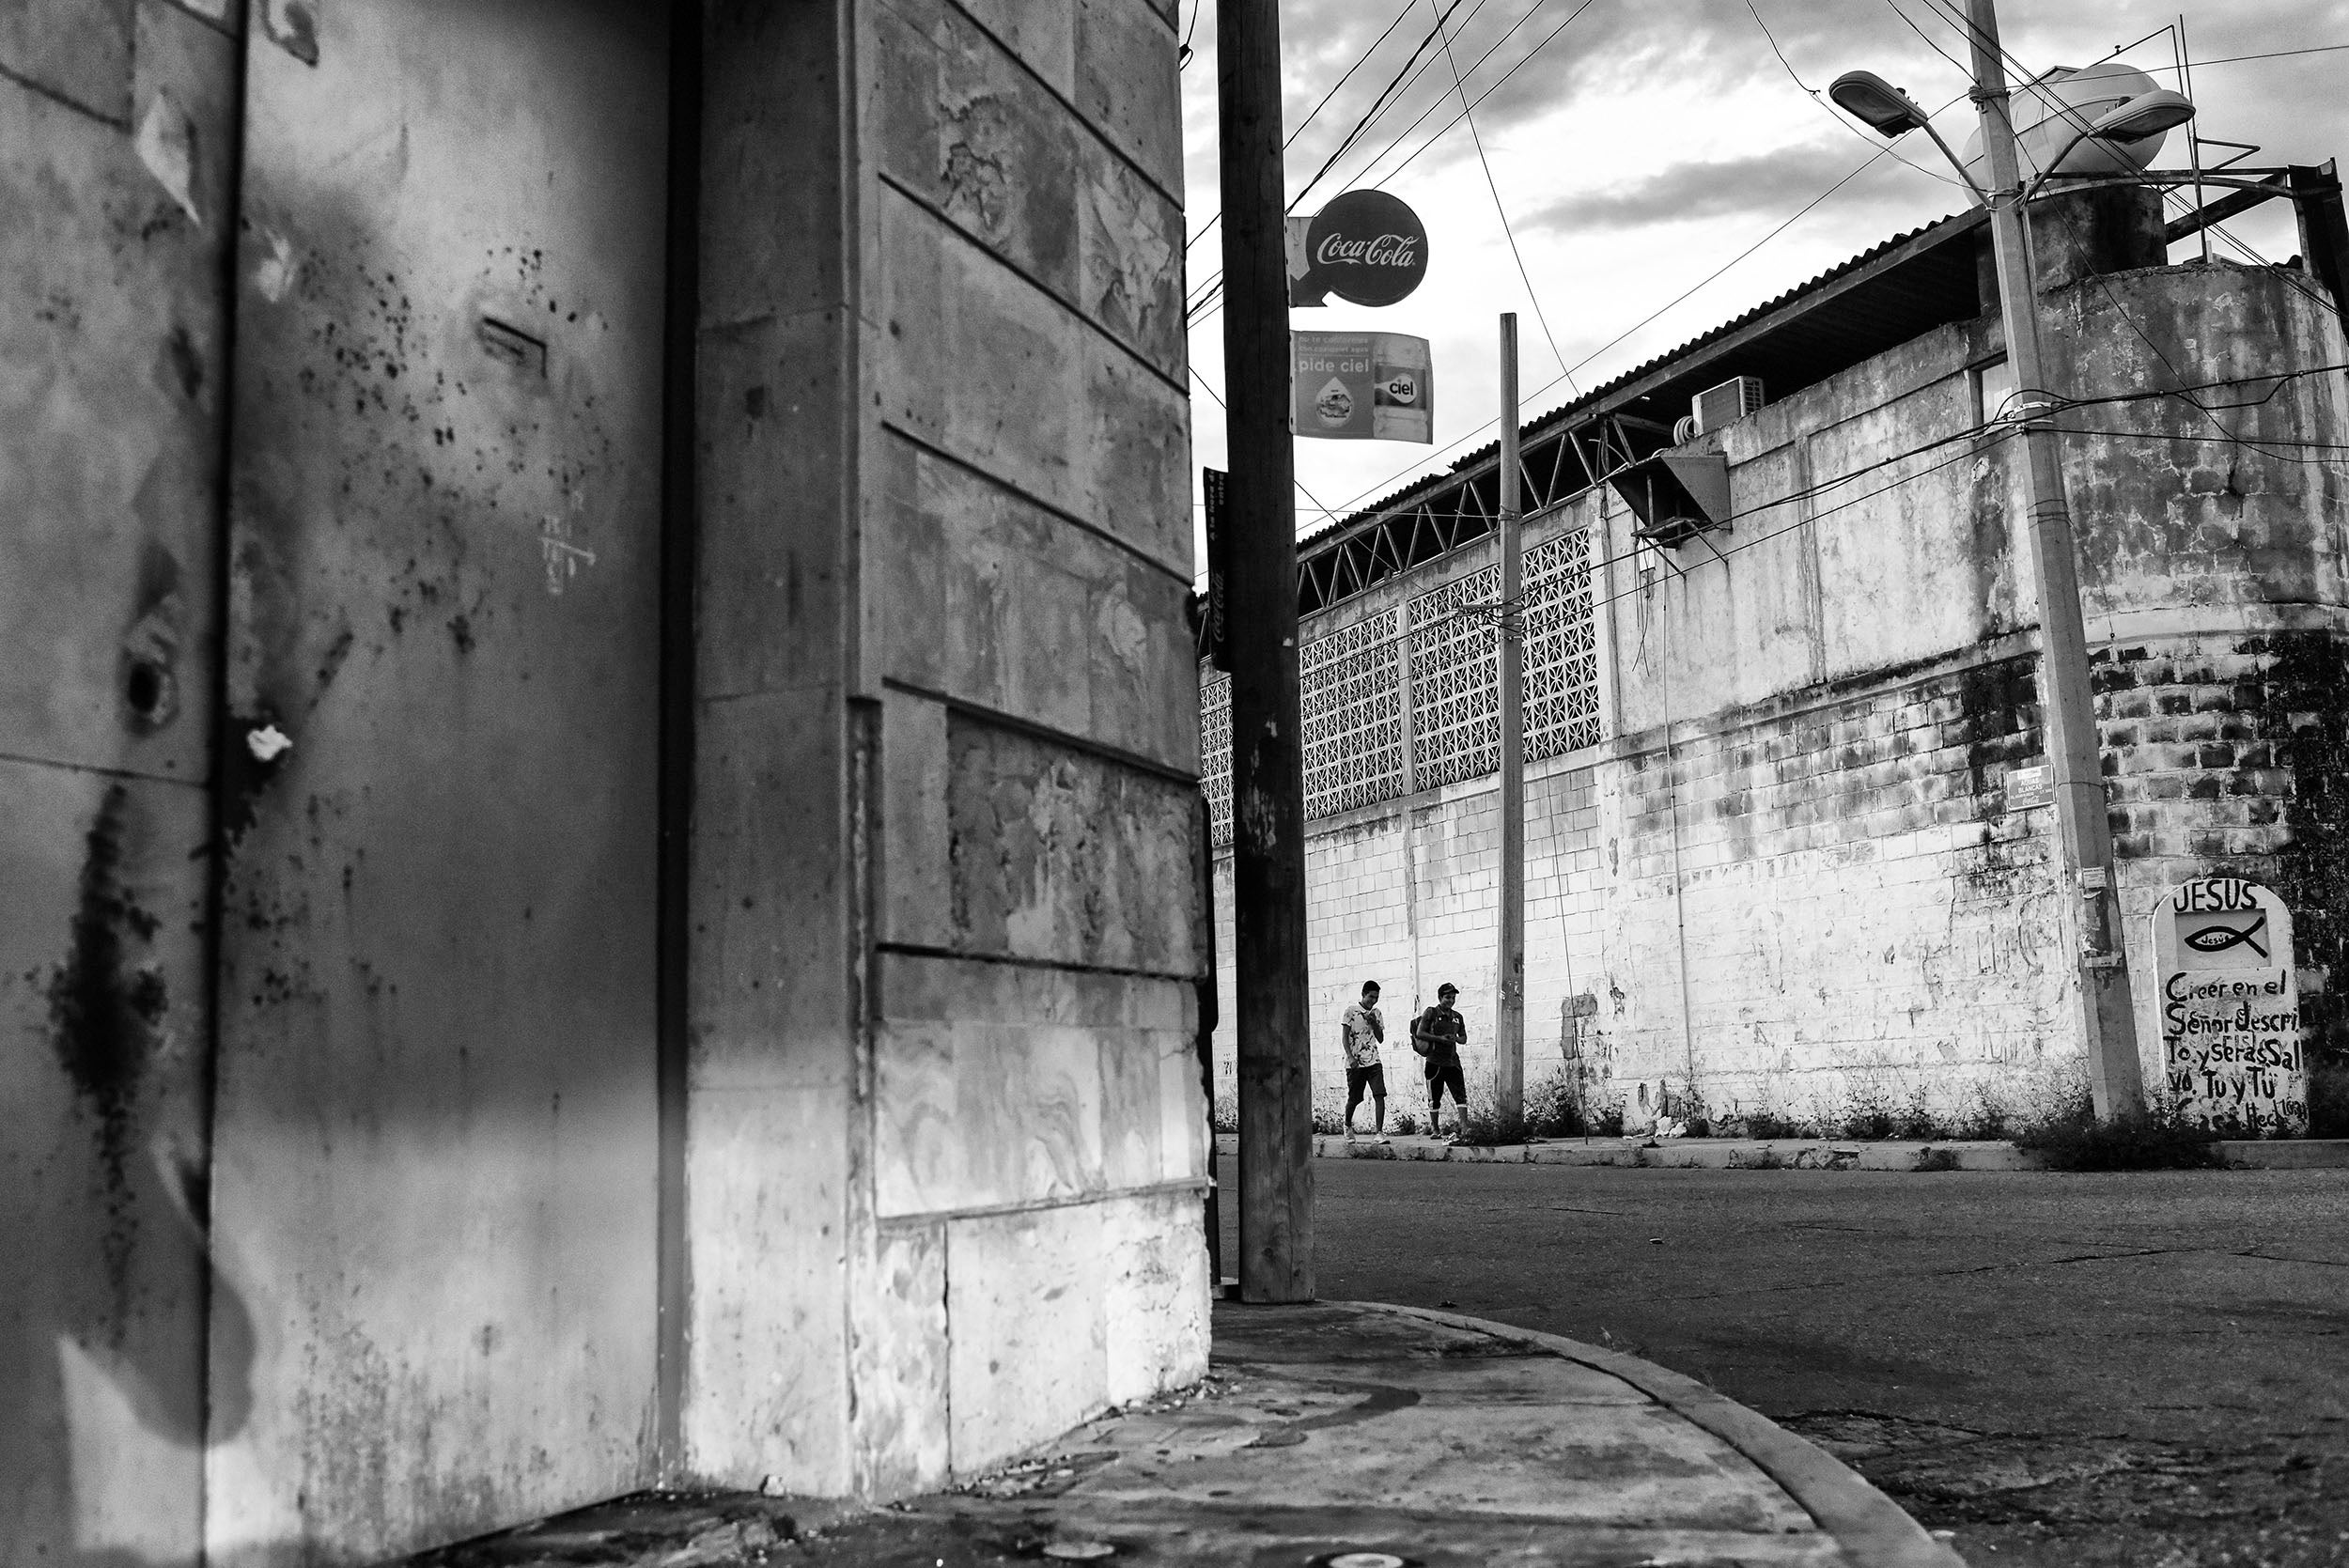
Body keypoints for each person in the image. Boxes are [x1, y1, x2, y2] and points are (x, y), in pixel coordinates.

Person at [1412, 983, 1469, 1138]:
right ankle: (1435, 1128)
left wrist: (1455, 1038)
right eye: (1447, 997)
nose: (1450, 1000)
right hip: (1434, 1062)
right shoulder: (1431, 1013)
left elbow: (1464, 1038)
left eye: (1453, 997)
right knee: (1434, 1098)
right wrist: (1439, 1039)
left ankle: (1465, 1128)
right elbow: (1420, 1032)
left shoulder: (1457, 1017)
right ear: (1440, 997)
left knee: (1460, 1095)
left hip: (1452, 1062)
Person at [1340, 981, 1389, 1143]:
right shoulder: (1351, 1011)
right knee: (1355, 1098)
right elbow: (1345, 1037)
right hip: (1356, 1062)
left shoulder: (1377, 1012)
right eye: (1371, 997)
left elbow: (1380, 1039)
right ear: (1363, 994)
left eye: (1376, 997)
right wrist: (1350, 1057)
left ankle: (1379, 1132)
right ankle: (1347, 1125)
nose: (1373, 1001)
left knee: (1379, 1094)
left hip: (1373, 1060)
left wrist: (1374, 1022)